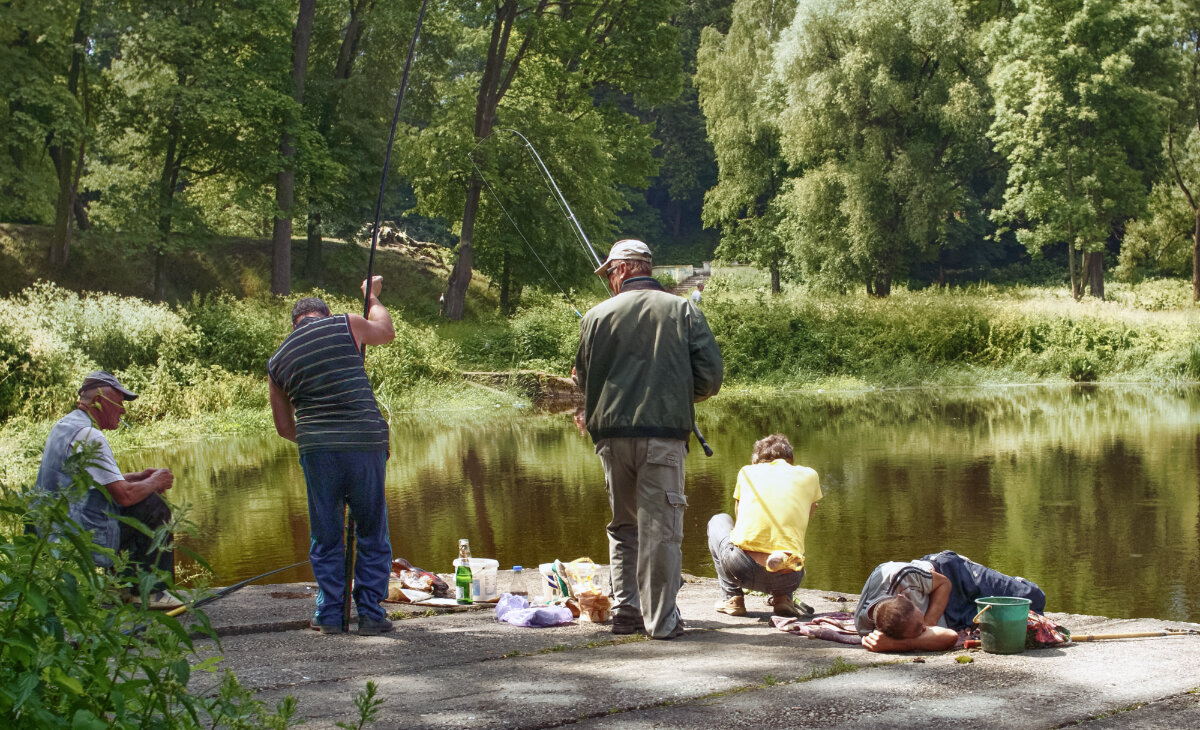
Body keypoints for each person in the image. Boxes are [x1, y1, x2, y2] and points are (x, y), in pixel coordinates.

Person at [574, 239, 723, 640]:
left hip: (610, 439)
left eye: (609, 273)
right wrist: (676, 393)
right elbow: (710, 379)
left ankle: (626, 612)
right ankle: (661, 622)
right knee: (661, 528)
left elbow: (583, 382)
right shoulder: (683, 310)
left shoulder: (594, 317)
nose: (608, 280)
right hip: (662, 438)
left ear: (623, 269)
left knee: (624, 526)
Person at [268, 276, 396, 636]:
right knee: (371, 528)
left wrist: (318, 438)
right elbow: (385, 332)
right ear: (322, 315)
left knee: (326, 533)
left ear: (294, 324)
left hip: (317, 449)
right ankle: (370, 614)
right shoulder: (343, 323)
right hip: (365, 441)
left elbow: (283, 426)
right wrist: (371, 297)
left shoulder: (277, 361)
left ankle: (329, 616)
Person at [35, 371, 180, 609]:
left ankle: (120, 586)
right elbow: (124, 496)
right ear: (100, 402)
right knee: (153, 506)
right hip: (77, 538)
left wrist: (138, 476)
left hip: (53, 530)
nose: (123, 410)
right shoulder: (91, 436)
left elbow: (88, 481)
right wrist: (155, 482)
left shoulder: (65, 425)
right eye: (120, 403)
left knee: (135, 498)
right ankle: (150, 591)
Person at [708, 433, 820, 619]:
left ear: (756, 461)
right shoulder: (810, 475)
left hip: (741, 568)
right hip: (790, 578)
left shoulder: (747, 472)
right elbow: (807, 514)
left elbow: (739, 516)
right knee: (791, 535)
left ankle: (732, 598)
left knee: (719, 520)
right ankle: (783, 598)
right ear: (791, 459)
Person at [855, 550, 1046, 652]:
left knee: (1034, 598)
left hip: (952, 575)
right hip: (950, 618)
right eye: (919, 631)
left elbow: (944, 584)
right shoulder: (867, 628)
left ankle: (1012, 582)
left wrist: (928, 624)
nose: (925, 631)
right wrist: (901, 643)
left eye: (921, 625)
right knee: (1025, 618)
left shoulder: (899, 575)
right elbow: (948, 636)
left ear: (902, 597)